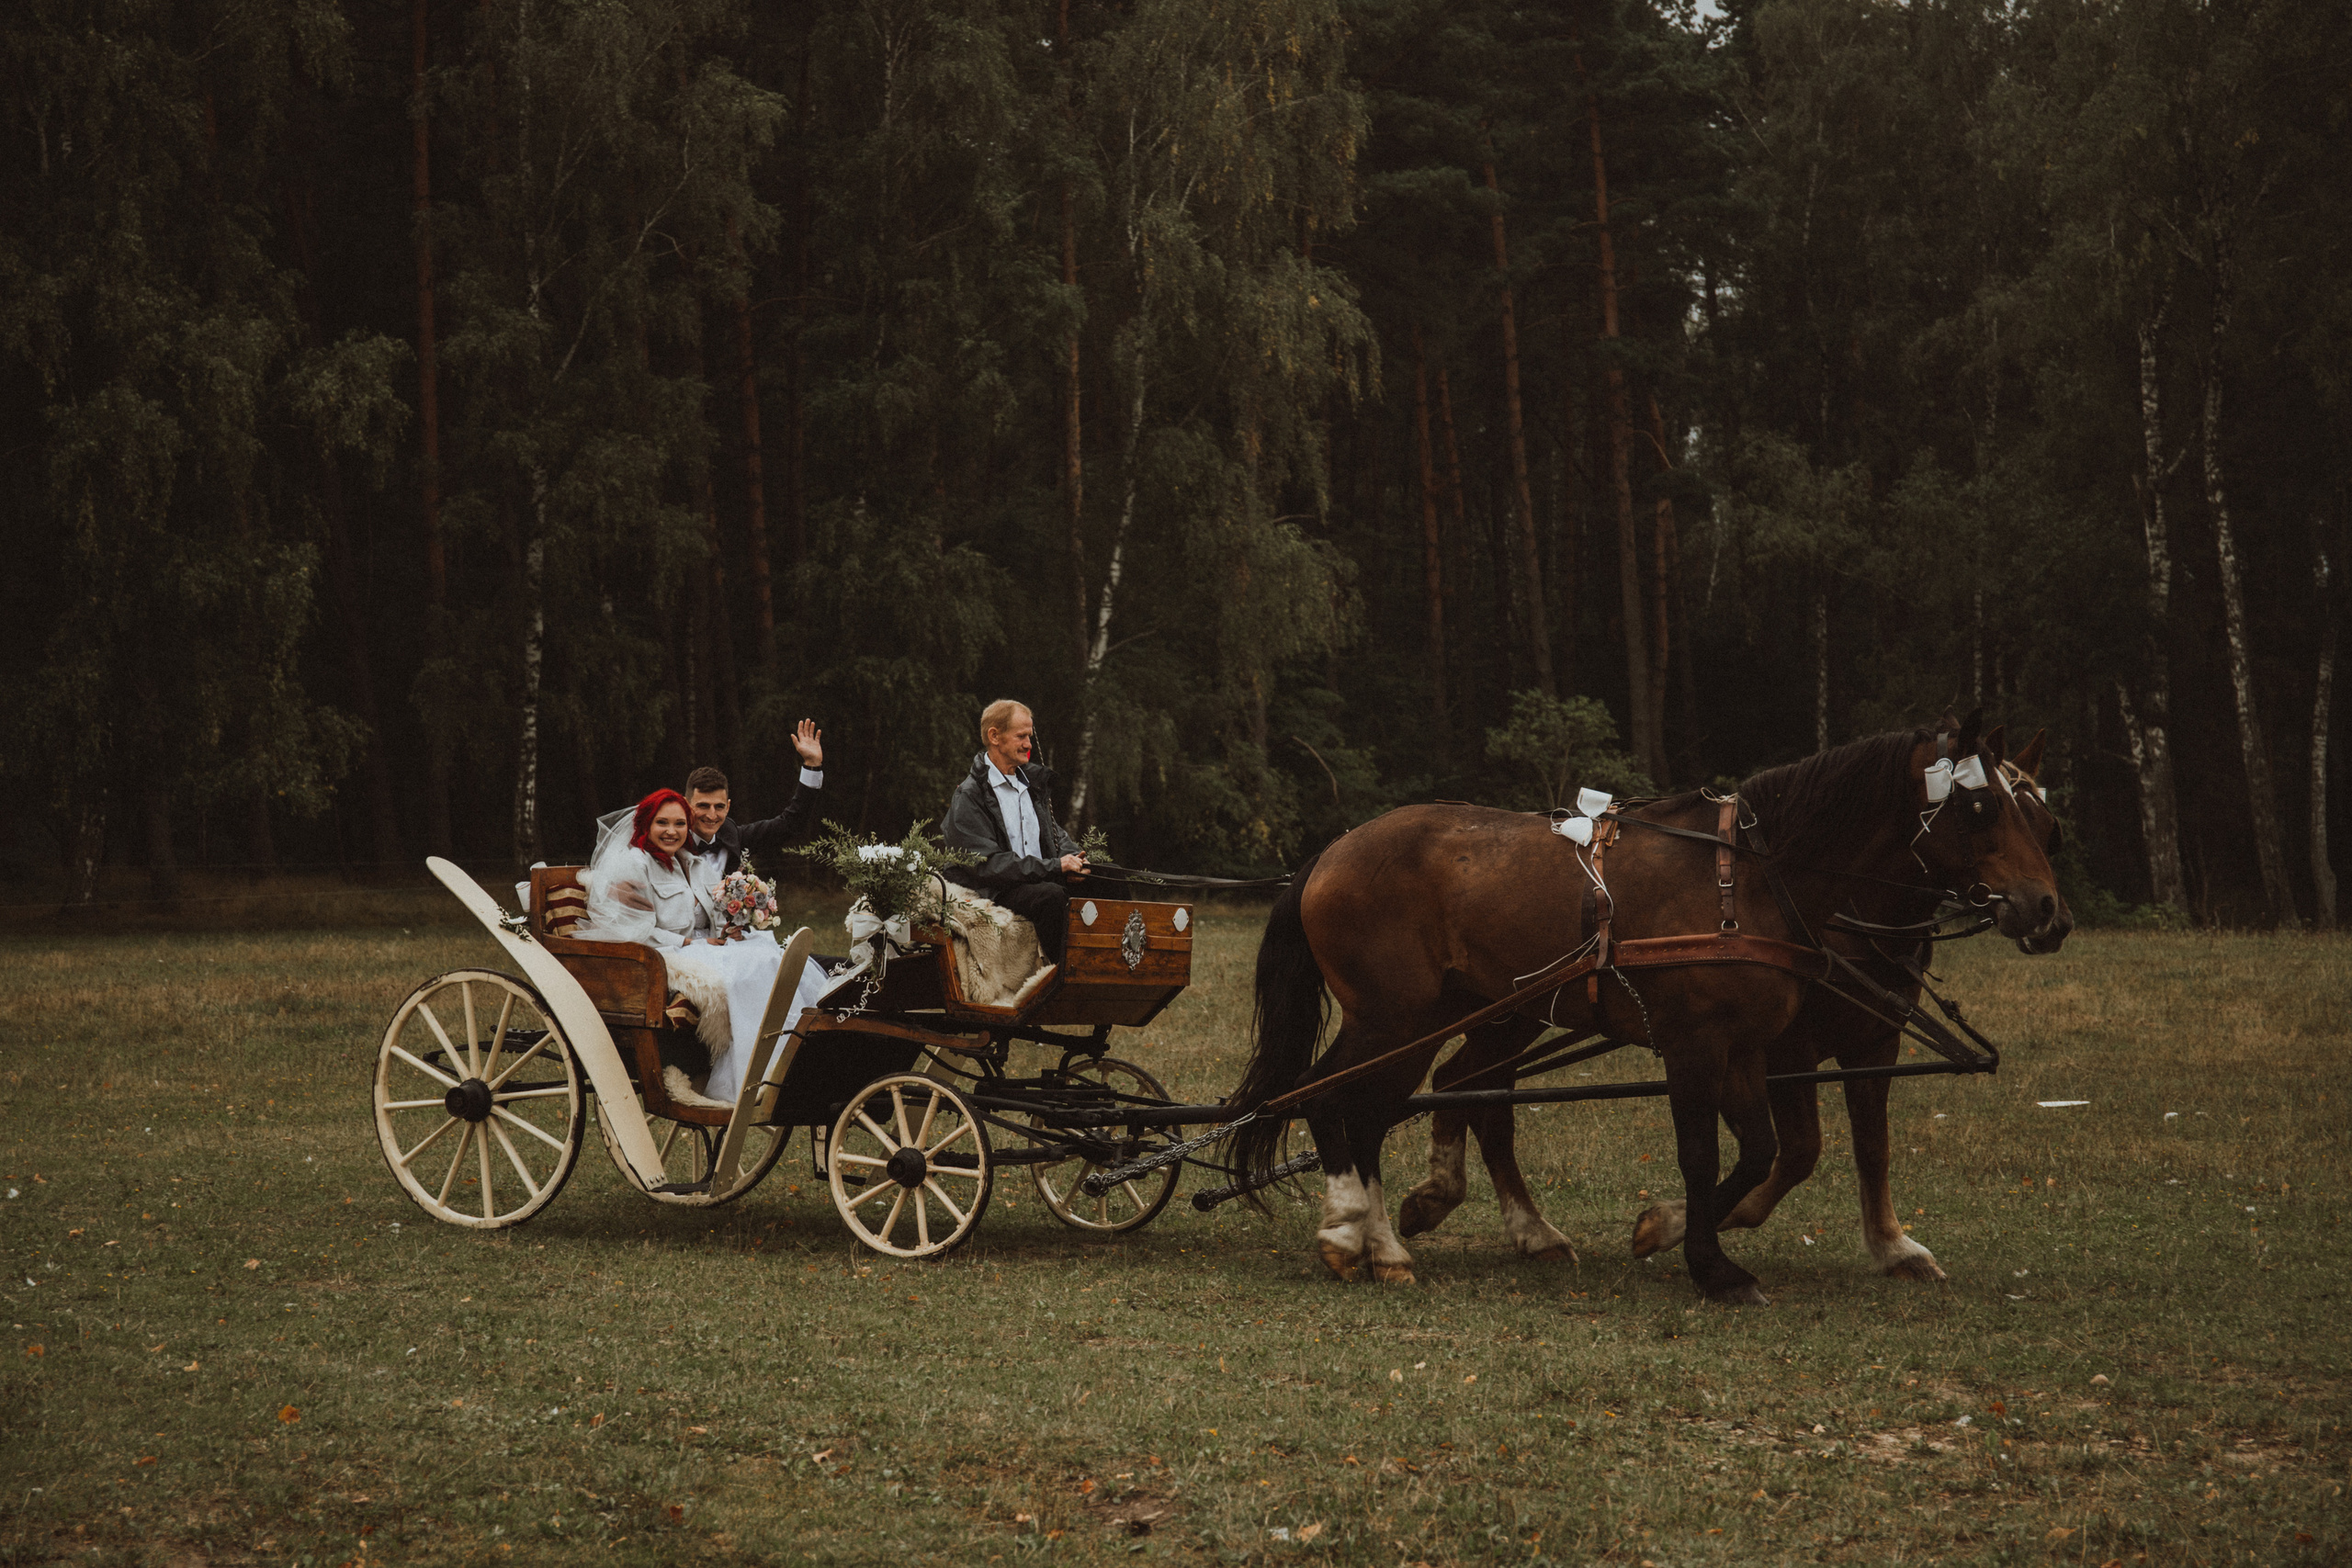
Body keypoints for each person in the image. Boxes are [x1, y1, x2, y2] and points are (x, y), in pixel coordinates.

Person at [578, 789, 828, 1108]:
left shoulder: (690, 863)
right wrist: (686, 941)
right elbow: (630, 929)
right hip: (663, 954)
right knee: (748, 973)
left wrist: (731, 926)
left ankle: (788, 1063)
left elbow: (715, 913)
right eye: (662, 823)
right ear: (645, 825)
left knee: (770, 959)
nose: (672, 831)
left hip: (704, 946)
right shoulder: (633, 865)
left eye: (680, 824)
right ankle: (749, 1074)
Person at [941, 700, 1087, 967]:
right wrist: (1054, 866)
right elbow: (989, 866)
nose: (1029, 744)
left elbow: (1054, 835)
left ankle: (1120, 973)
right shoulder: (969, 795)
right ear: (994, 736)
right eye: (1021, 736)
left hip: (1037, 877)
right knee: (1051, 896)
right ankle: (1064, 979)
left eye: (1030, 736)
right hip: (997, 889)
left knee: (1106, 878)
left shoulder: (1031, 784)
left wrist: (1075, 857)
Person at [680, 719, 827, 877]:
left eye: (719, 807)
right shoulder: (671, 841)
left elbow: (791, 823)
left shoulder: (735, 837)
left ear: (728, 807)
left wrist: (812, 764)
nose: (711, 815)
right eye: (703, 806)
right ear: (686, 805)